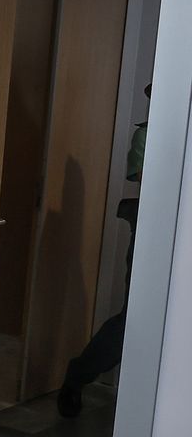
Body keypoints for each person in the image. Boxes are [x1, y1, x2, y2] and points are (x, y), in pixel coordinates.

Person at [58, 82, 150, 417]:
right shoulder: (150, 132)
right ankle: (78, 376)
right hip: (155, 236)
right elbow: (147, 176)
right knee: (135, 319)